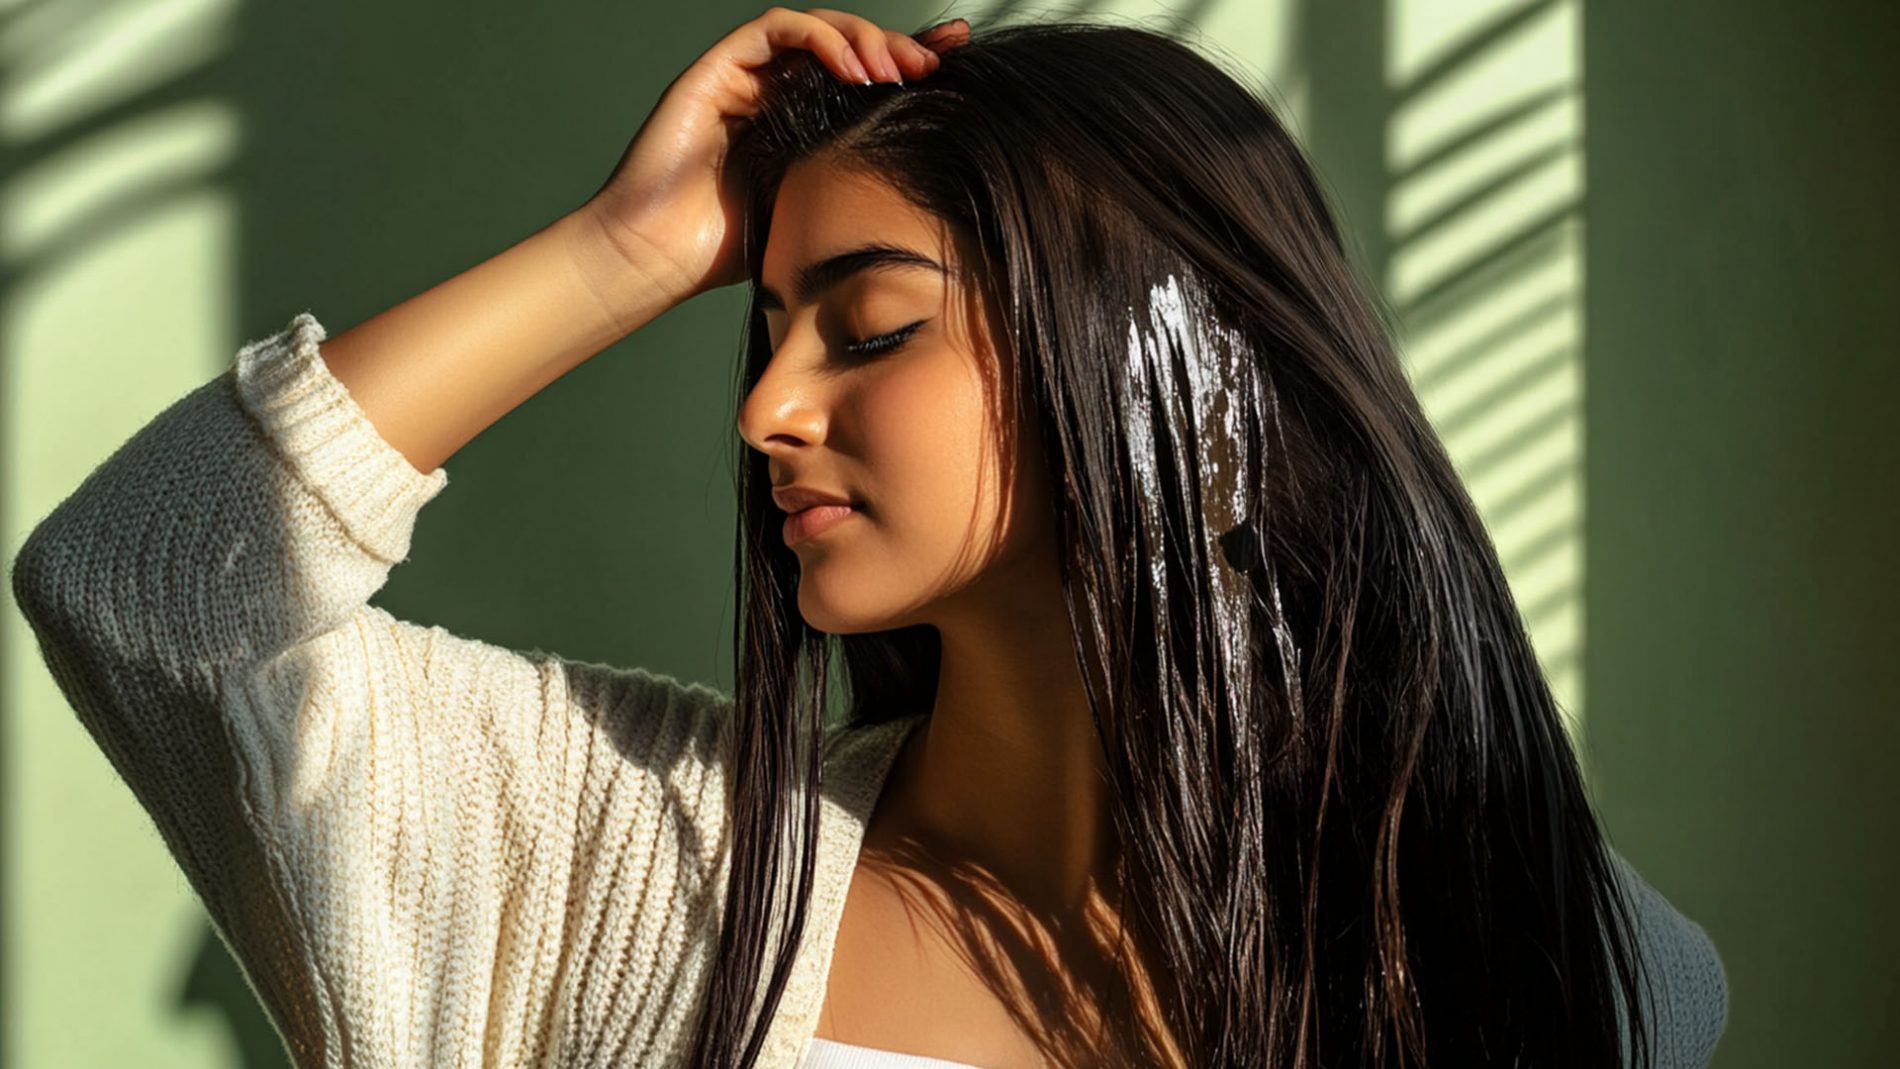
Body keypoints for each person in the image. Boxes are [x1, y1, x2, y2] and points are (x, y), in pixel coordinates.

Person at [8, 7, 1727, 1068]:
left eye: (873, 324)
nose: (765, 410)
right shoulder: (648, 854)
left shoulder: (1543, 943)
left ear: (1168, 364)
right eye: (764, 332)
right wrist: (622, 250)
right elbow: (149, 587)